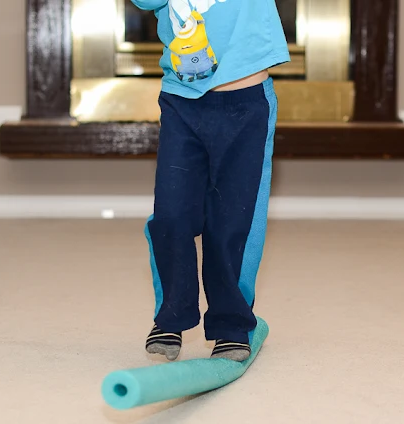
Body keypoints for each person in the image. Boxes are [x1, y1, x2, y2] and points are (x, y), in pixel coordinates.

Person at [132, 0, 290, 361]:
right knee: (171, 214)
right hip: (181, 99)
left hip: (246, 100)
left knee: (235, 219)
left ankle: (231, 323)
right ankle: (171, 315)